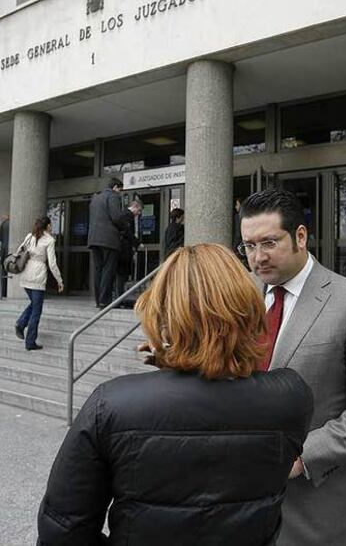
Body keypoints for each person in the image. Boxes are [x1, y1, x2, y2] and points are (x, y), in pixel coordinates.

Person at [37, 243, 313, 546]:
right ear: (247, 308)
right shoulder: (290, 397)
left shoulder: (112, 405)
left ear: (163, 314)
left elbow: (63, 531)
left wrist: (174, 362)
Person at [239, 188, 346, 546]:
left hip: (314, 514)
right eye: (249, 246)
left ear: (301, 236)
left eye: (269, 242)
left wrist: (303, 457)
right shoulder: (242, 296)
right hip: (240, 510)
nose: (258, 258)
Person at [15, 216, 64, 351]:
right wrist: (59, 280)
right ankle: (30, 341)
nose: (51, 226)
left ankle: (21, 323)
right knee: (37, 310)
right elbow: (52, 264)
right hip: (38, 276)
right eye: (51, 224)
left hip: (26, 275)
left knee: (34, 304)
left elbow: (19, 251)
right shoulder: (49, 240)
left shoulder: (30, 236)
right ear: (47, 226)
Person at [88, 177, 123, 308]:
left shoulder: (96, 198)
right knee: (108, 270)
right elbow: (116, 217)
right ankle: (105, 300)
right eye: (120, 189)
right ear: (115, 187)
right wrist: (124, 226)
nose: (120, 192)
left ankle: (98, 300)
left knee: (98, 270)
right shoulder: (113, 196)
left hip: (94, 239)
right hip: (109, 240)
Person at [115, 200, 143, 299]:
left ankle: (120, 296)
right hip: (123, 249)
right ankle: (120, 297)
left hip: (122, 248)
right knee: (122, 274)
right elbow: (128, 232)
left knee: (121, 274)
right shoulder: (127, 216)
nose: (138, 214)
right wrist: (137, 243)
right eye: (138, 211)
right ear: (134, 207)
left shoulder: (124, 215)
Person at [0, 214, 9, 297]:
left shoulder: (4, 224)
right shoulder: (7, 224)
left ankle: (3, 293)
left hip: (4, 251)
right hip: (10, 253)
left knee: (4, 272)